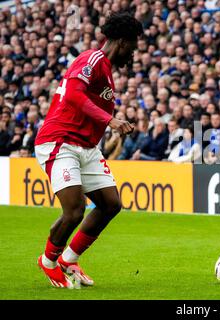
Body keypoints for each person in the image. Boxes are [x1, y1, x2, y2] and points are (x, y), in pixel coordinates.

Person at [34, 12, 143, 288]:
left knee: (111, 204)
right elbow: (72, 95)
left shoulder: (106, 71)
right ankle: (48, 261)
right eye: (133, 45)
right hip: (60, 141)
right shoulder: (91, 59)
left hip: (86, 147)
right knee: (74, 210)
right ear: (121, 41)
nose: (133, 51)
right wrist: (112, 120)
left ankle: (69, 259)